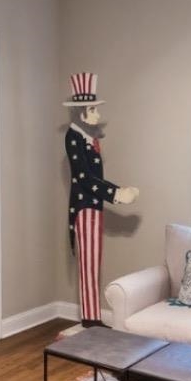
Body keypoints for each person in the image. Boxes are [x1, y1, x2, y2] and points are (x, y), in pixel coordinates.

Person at [63, 72, 139, 327]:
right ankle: (89, 320)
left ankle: (92, 317)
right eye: (93, 109)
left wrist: (118, 191)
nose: (97, 115)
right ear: (81, 113)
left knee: (93, 263)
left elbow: (94, 177)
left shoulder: (89, 137)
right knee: (88, 264)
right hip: (84, 208)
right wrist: (116, 194)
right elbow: (84, 177)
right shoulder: (74, 137)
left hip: (94, 207)